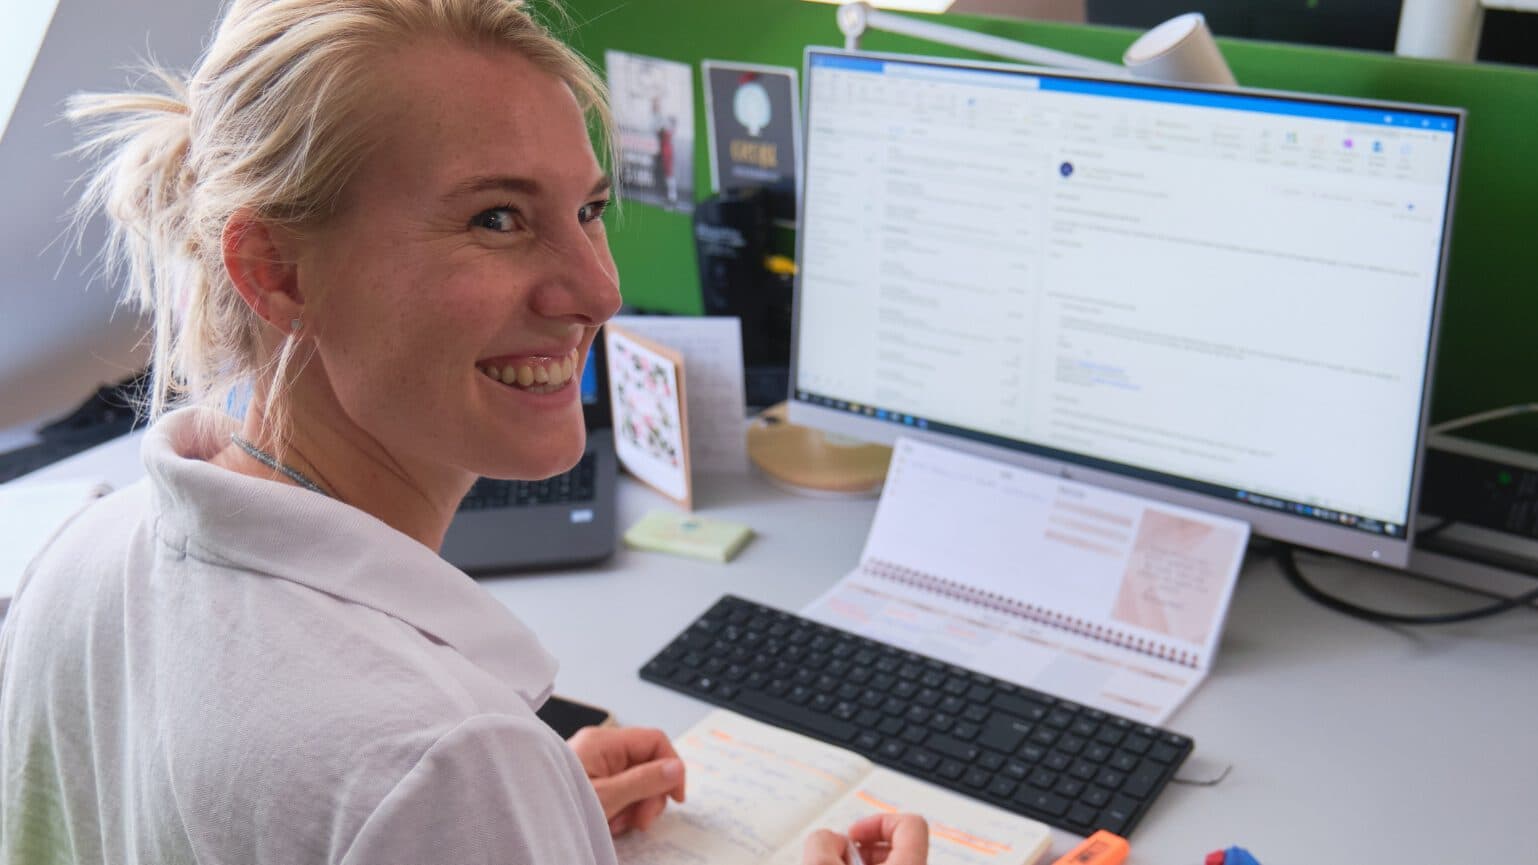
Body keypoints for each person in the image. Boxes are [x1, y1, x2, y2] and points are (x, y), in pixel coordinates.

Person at [0, 1, 929, 863]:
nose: (600, 292)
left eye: (588, 211)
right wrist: (493, 807)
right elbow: (386, 772)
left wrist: (538, 813)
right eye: (497, 217)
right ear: (275, 270)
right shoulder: (439, 757)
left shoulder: (77, 556)